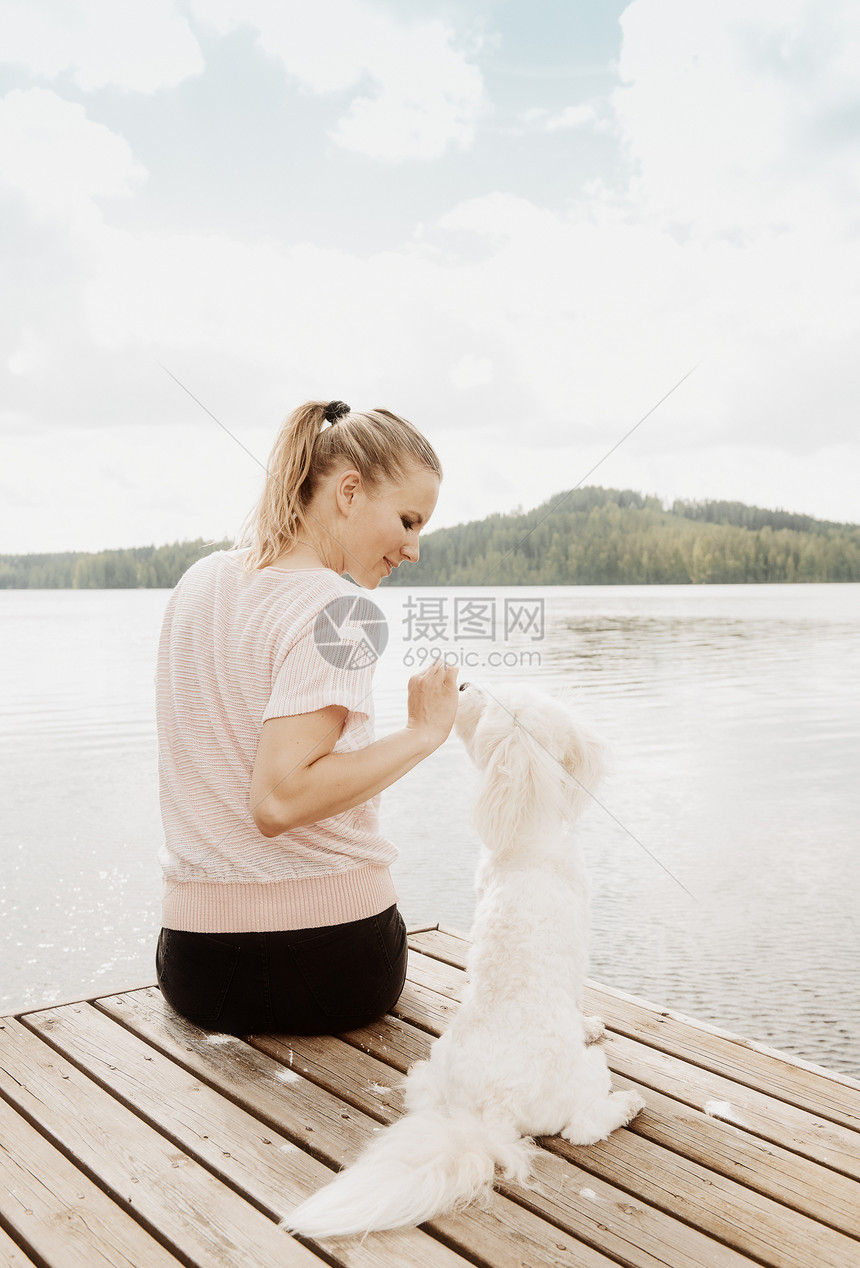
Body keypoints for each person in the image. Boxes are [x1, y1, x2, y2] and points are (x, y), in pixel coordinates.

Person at [155, 399, 459, 1035]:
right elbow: (279, 800)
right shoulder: (342, 609)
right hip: (332, 966)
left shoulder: (197, 582)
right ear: (350, 491)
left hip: (196, 971)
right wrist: (423, 734)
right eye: (407, 520)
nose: (414, 549)